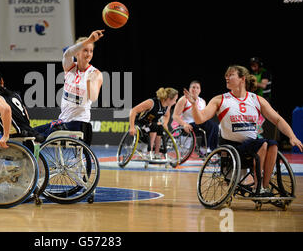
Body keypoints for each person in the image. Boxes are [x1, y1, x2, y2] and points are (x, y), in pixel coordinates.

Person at [184, 65, 303, 196]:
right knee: (262, 144)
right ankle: (258, 187)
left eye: (231, 75)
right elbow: (200, 119)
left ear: (242, 79)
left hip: (252, 146)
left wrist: (292, 136)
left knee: (273, 145)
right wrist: (194, 105)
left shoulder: (256, 99)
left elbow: (278, 120)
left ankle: (264, 186)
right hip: (231, 147)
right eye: (226, 75)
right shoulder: (221, 99)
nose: (227, 77)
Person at [34, 30, 104, 144]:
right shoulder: (70, 67)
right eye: (85, 50)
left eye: (91, 51)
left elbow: (94, 97)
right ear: (77, 53)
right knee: (32, 133)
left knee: (43, 137)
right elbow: (67, 54)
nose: (88, 54)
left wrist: (89, 82)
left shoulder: (95, 73)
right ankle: (26, 159)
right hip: (63, 120)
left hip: (79, 123)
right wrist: (90, 40)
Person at [0, 68, 44, 148]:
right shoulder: (15, 95)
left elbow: (6, 110)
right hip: (29, 135)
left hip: (16, 140)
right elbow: (26, 115)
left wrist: (5, 135)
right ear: (2, 81)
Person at [128, 87, 178, 158]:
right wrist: (132, 127)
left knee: (160, 127)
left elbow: (167, 115)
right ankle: (149, 152)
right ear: (169, 99)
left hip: (150, 126)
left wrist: (165, 123)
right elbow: (133, 111)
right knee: (154, 126)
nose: (175, 102)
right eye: (175, 100)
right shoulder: (151, 103)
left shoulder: (167, 106)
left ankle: (156, 154)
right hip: (140, 125)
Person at [172, 80, 219, 152]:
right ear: (189, 89)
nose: (195, 89)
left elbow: (204, 117)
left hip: (199, 124)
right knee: (211, 125)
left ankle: (211, 149)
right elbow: (175, 116)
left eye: (197, 88)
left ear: (200, 90)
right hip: (188, 124)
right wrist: (184, 124)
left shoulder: (202, 101)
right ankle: (205, 149)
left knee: (215, 126)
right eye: (193, 87)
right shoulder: (184, 99)